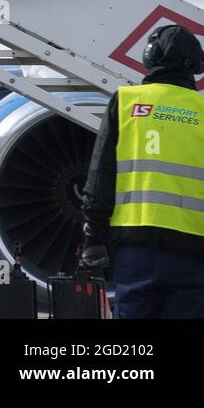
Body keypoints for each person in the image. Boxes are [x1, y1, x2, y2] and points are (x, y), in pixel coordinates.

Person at [80, 24, 204, 318]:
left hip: (137, 252)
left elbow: (101, 175)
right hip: (195, 255)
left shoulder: (125, 102)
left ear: (151, 56)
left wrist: (92, 234)